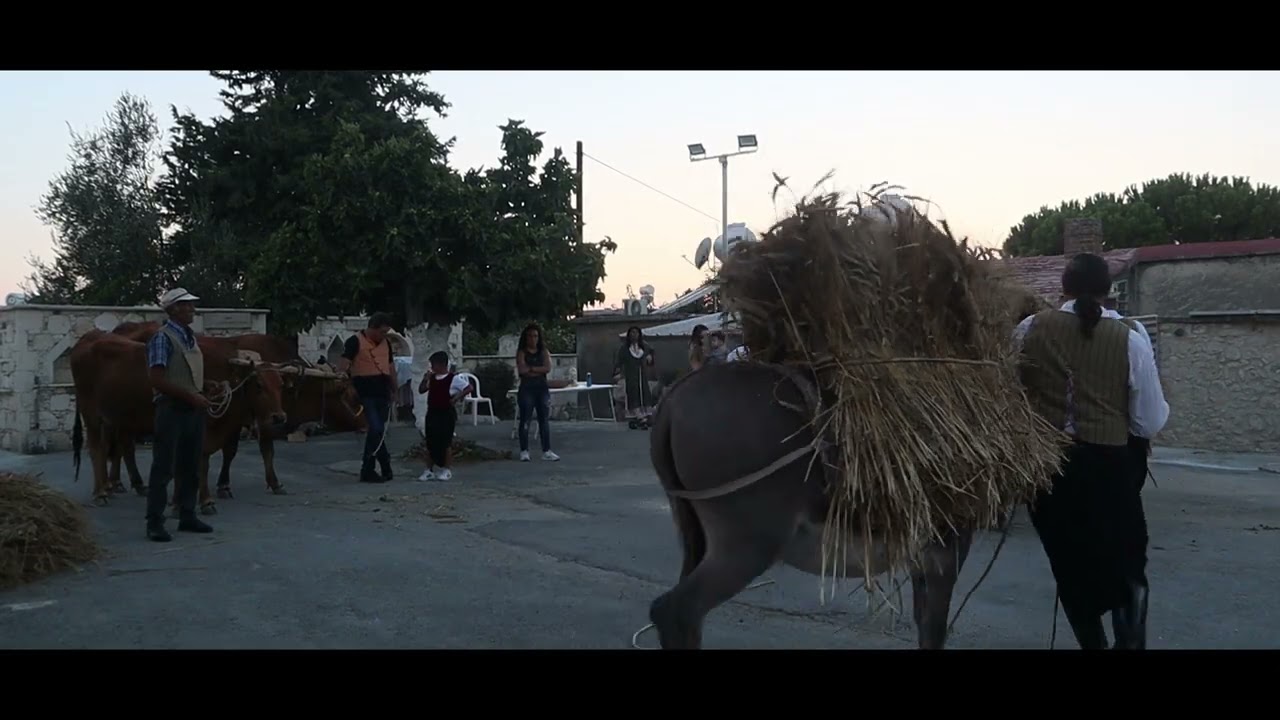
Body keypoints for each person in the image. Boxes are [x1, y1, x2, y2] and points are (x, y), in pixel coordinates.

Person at [1014, 252, 1169, 650]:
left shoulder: (1029, 329)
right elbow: (1148, 421)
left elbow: (1010, 398)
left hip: (1050, 473)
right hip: (1112, 472)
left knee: (1071, 568)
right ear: (1110, 291)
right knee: (1128, 567)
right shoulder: (1130, 338)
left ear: (1063, 288)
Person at [144, 288, 214, 542]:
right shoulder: (162, 338)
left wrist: (202, 389)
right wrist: (191, 396)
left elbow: (188, 372)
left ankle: (187, 515)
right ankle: (154, 522)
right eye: (187, 305)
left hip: (191, 407)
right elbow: (156, 378)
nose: (192, 309)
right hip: (171, 408)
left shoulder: (190, 338)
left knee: (190, 464)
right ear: (173, 309)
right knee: (163, 467)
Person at [336, 313, 398, 484]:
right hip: (364, 393)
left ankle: (384, 466)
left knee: (377, 432)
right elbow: (343, 365)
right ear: (372, 328)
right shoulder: (354, 341)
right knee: (376, 429)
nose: (384, 336)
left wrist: (395, 389)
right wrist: (344, 384)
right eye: (382, 332)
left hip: (382, 392)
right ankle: (369, 469)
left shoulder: (386, 344)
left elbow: (390, 367)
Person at [416, 351, 472, 481]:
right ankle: (428, 469)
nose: (432, 367)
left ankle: (446, 469)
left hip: (446, 413)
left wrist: (456, 398)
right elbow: (421, 390)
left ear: (441, 364)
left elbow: (469, 388)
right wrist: (425, 379)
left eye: (433, 364)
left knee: (445, 442)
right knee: (430, 442)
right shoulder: (432, 378)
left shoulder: (453, 378)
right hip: (432, 412)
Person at [515, 323, 560, 462]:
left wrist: (531, 369)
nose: (532, 339)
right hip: (527, 389)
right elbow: (522, 370)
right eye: (530, 336)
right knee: (525, 420)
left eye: (535, 336)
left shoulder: (543, 352)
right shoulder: (522, 352)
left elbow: (547, 368)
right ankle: (524, 450)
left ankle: (546, 450)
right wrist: (537, 369)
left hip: (541, 388)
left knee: (544, 420)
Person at [614, 326, 656, 424]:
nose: (634, 335)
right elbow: (619, 362)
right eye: (632, 333)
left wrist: (650, 357)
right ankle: (637, 414)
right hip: (631, 374)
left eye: (636, 333)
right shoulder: (624, 348)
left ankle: (647, 414)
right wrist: (618, 373)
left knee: (645, 392)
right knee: (633, 392)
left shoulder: (644, 346)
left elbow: (651, 352)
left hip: (642, 374)